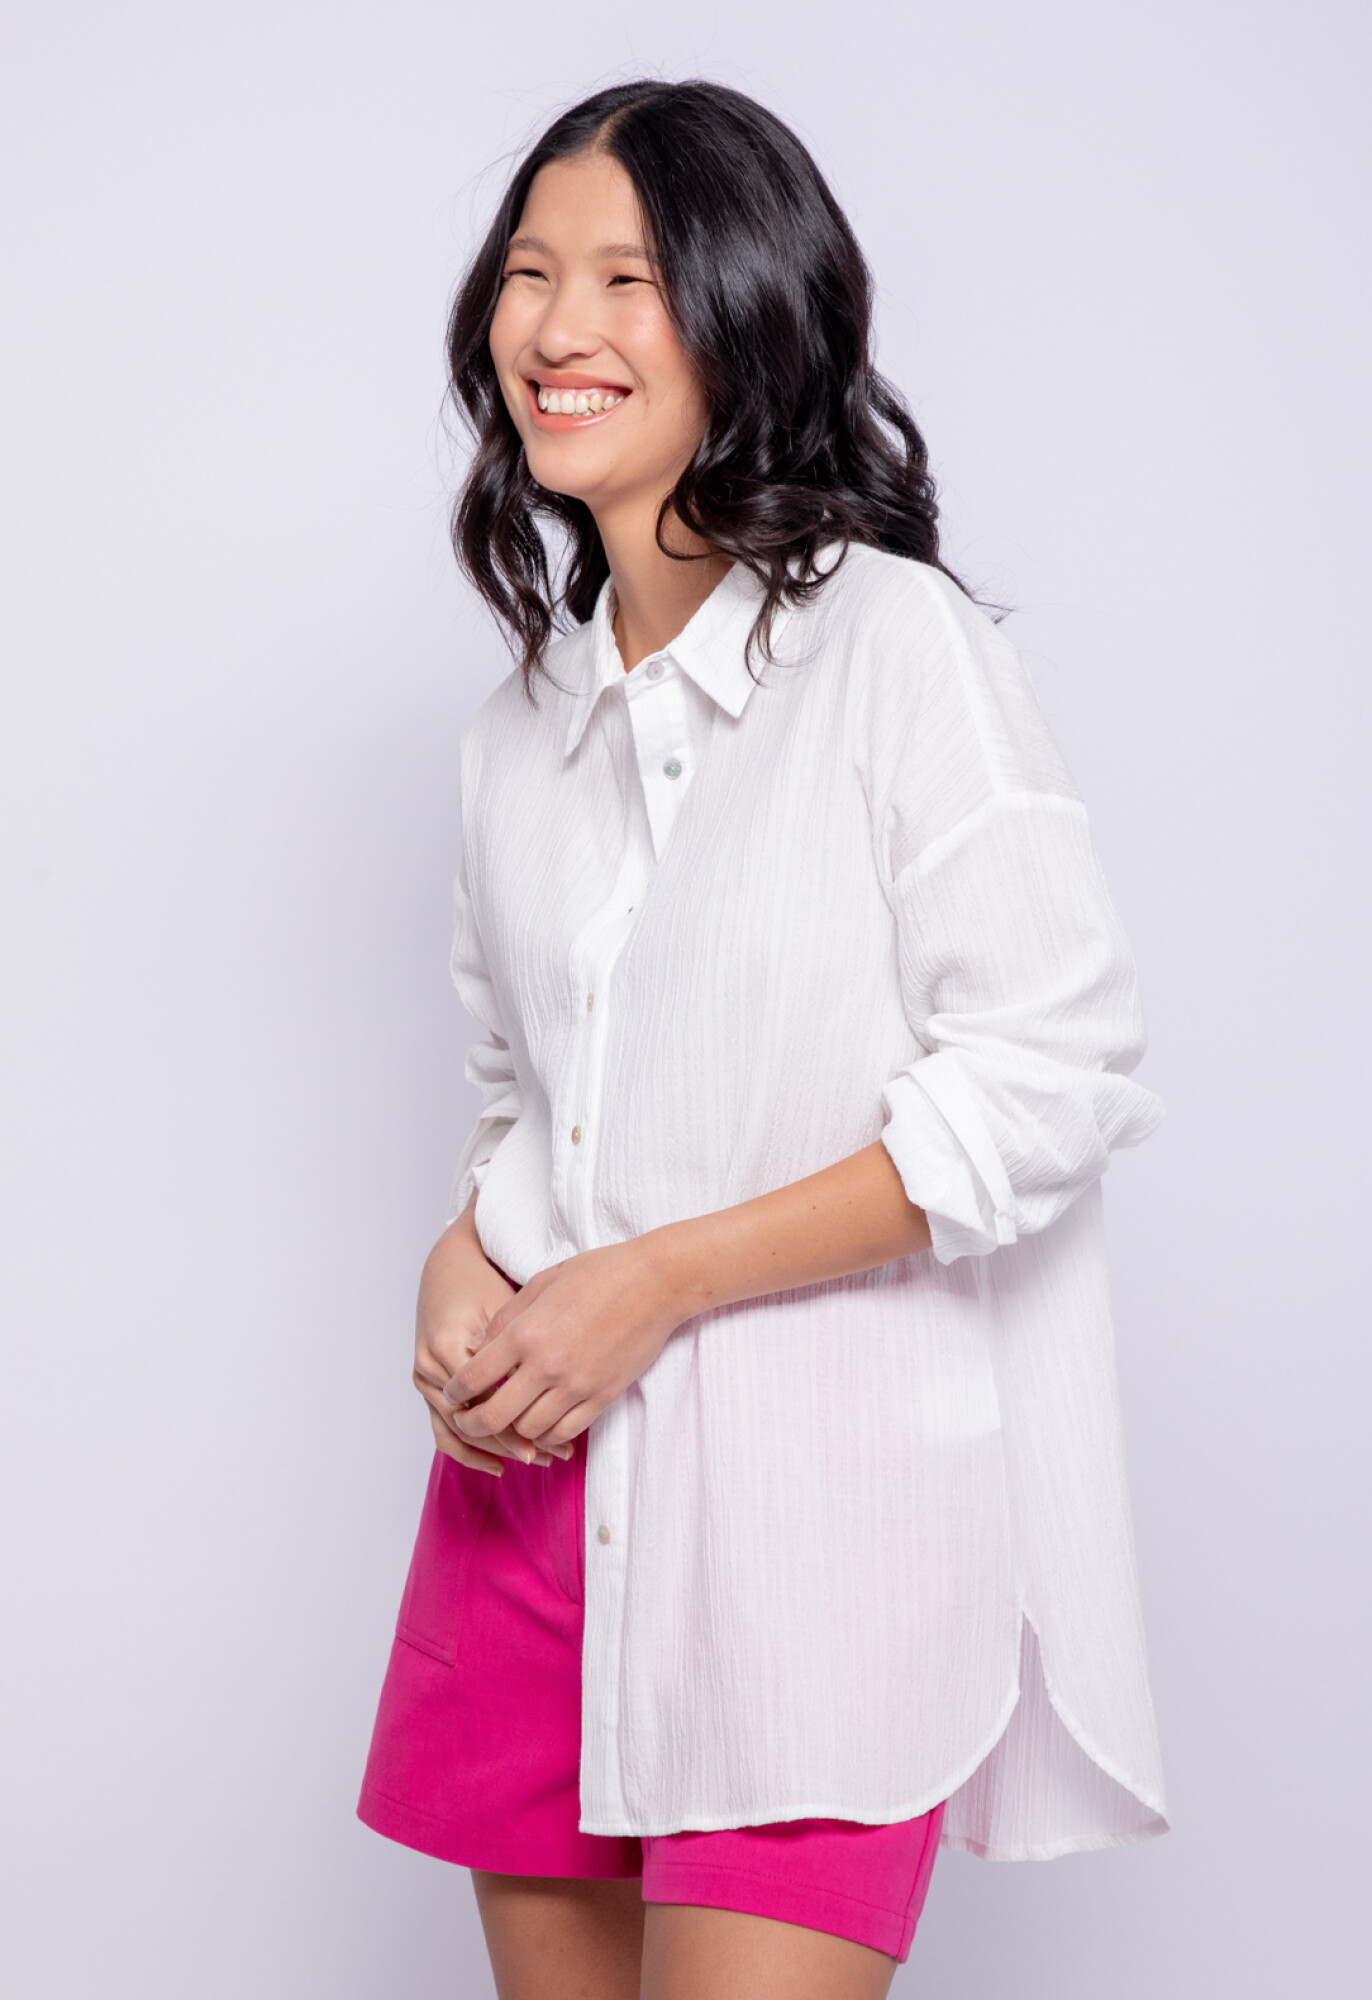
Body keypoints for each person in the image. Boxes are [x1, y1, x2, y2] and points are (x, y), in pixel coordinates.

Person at [357, 78, 1168, 2000]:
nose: (559, 327)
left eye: (627, 278)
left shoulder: (896, 652)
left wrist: (659, 1280)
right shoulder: (514, 738)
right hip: (528, 1512)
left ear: (747, 309)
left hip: (813, 1546)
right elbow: (531, 1097)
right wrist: (466, 1250)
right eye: (531, 273)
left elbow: (1048, 1079)